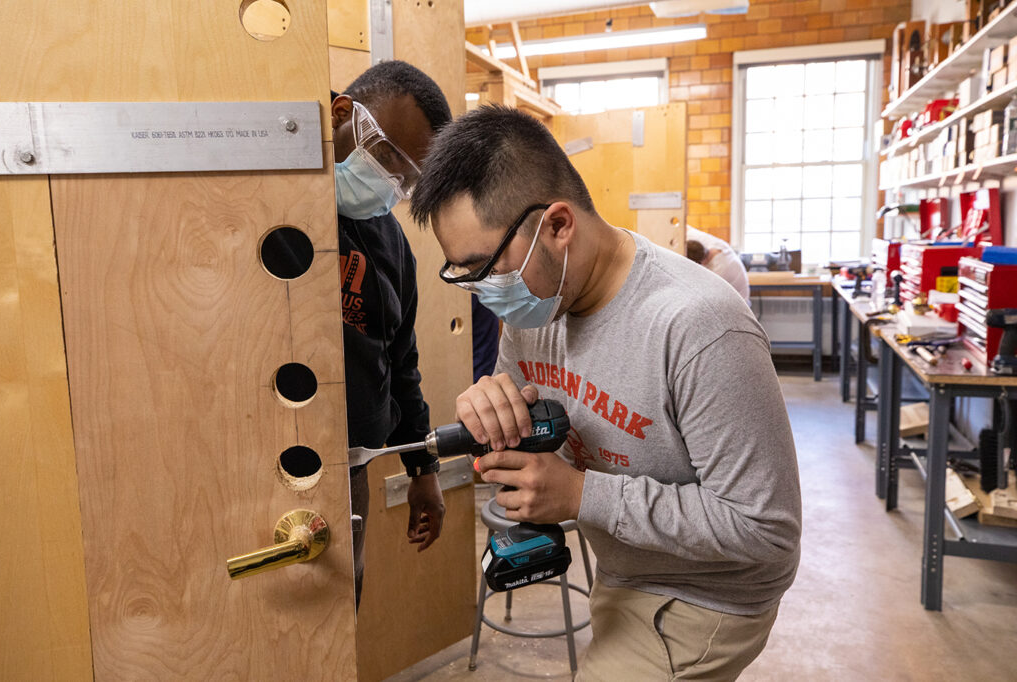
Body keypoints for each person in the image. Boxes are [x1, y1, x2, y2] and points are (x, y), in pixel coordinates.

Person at [409, 105, 801, 680]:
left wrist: (580, 497)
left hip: (701, 596)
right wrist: (493, 416)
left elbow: (766, 529)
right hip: (626, 569)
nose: (483, 292)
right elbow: (539, 438)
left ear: (559, 225)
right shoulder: (537, 305)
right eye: (463, 275)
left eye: (486, 268)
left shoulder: (699, 326)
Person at [332, 61, 451, 609]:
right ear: (342, 117)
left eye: (406, 180)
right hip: (263, 463)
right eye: (386, 160)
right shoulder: (264, 202)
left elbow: (401, 362)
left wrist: (422, 466)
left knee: (337, 608)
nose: (391, 185)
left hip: (351, 466)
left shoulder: (389, 242)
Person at [682, 225, 751, 303]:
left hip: (738, 305)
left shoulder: (717, 272)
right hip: (733, 296)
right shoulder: (715, 244)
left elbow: (700, 297)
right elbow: (685, 228)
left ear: (700, 263)